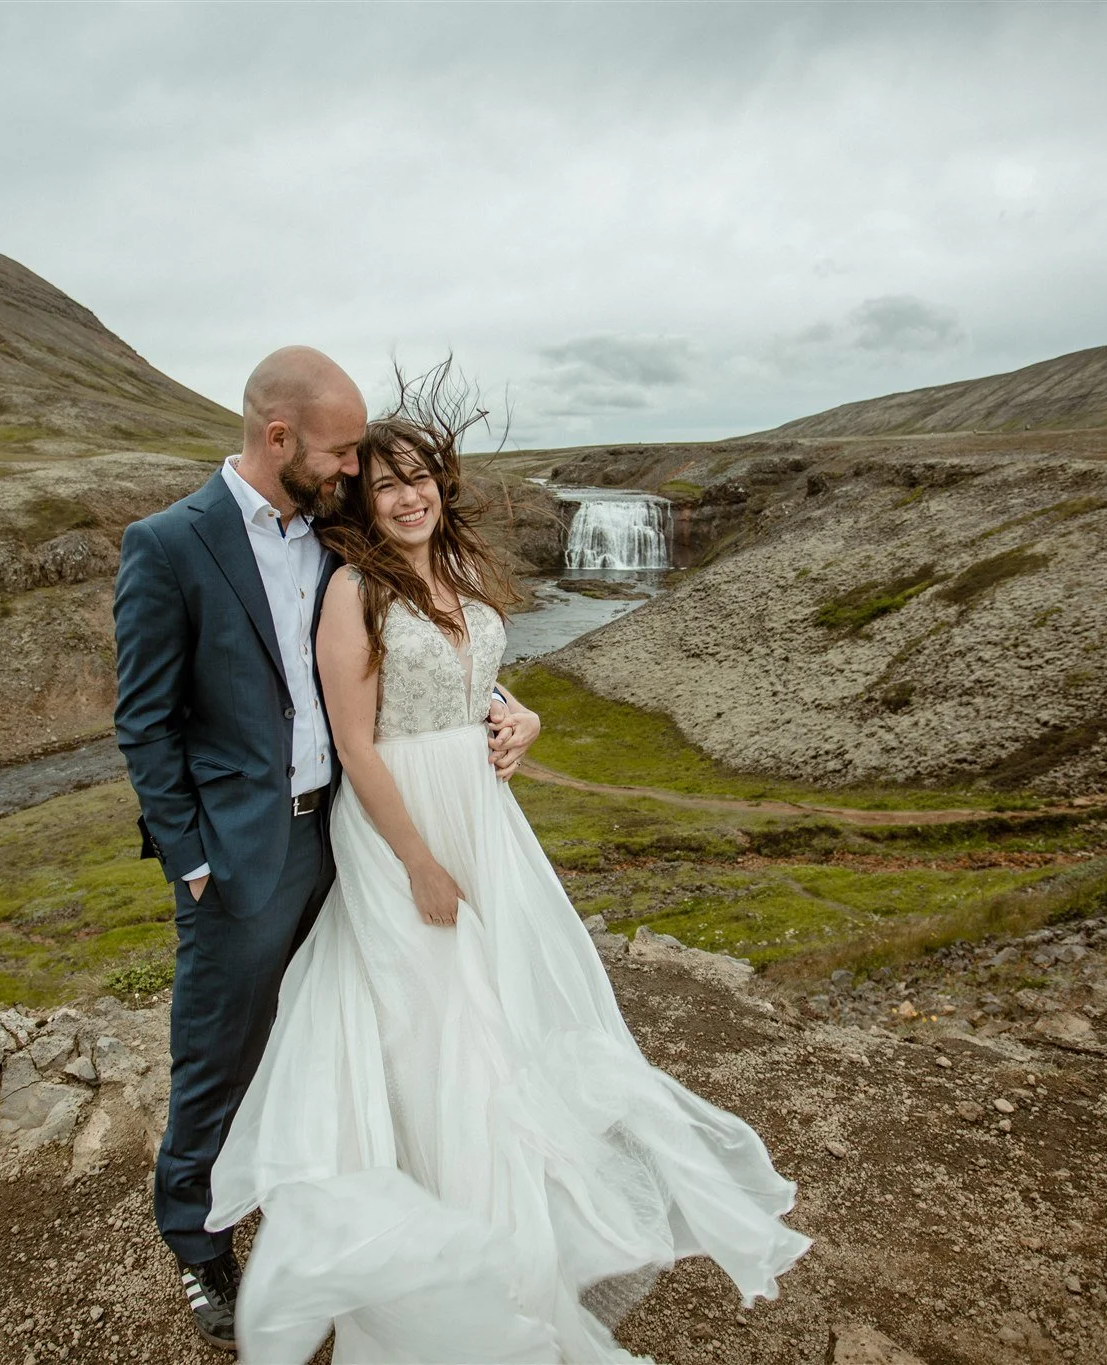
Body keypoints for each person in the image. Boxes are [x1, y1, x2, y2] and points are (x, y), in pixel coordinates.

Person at [206, 364, 810, 1363]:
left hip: (479, 811)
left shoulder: (457, 576)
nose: (406, 496)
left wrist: (519, 715)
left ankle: (512, 1217)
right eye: (384, 483)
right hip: (403, 821)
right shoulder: (353, 590)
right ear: (361, 499)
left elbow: (475, 682)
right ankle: (443, 1251)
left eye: (420, 478)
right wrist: (420, 866)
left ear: (441, 484)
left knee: (500, 1006)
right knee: (431, 1017)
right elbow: (355, 746)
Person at [113, 347, 542, 1352]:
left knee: (361, 1024)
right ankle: (198, 1242)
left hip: (352, 828)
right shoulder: (169, 545)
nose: (355, 470)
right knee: (222, 1044)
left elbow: (426, 654)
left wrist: (512, 713)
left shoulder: (332, 532)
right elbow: (144, 721)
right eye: (344, 451)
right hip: (244, 850)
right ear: (279, 439)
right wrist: (193, 858)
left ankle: (351, 1200)